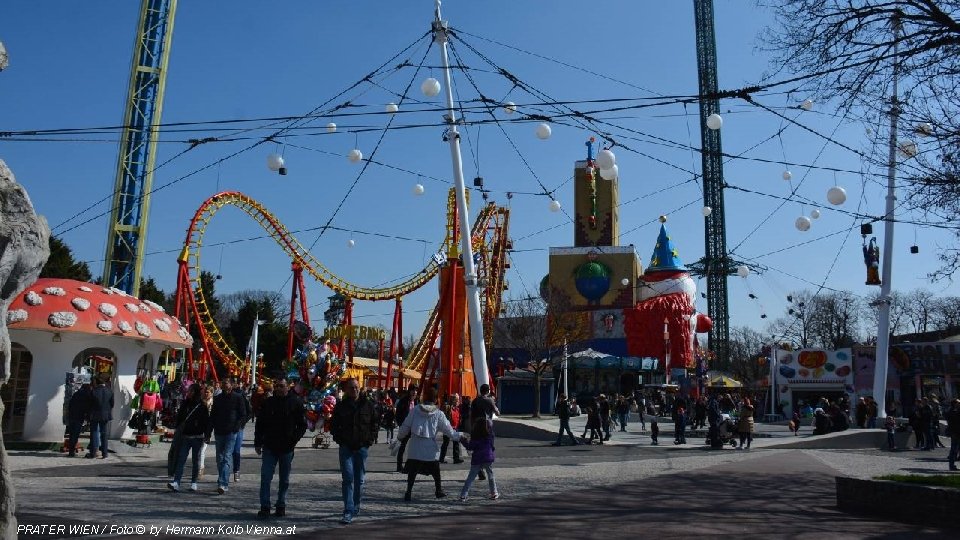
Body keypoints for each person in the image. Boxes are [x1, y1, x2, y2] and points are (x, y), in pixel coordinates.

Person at [396, 386, 463, 501]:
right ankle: (438, 490)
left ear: (424, 397)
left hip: (415, 447)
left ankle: (408, 492)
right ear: (436, 399)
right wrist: (461, 436)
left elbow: (405, 426)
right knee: (436, 471)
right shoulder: (438, 414)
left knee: (412, 472)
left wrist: (399, 437)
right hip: (430, 449)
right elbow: (450, 432)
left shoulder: (415, 410)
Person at [254, 377, 307, 520]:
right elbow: (260, 424)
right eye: (276, 386)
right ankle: (265, 506)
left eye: (281, 386)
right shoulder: (268, 403)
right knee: (266, 477)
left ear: (288, 387)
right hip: (269, 446)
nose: (278, 388)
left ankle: (281, 504)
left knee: (284, 479)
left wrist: (294, 439)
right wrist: (258, 442)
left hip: (287, 447)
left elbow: (302, 424)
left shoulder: (296, 402)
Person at [330, 378, 379, 525]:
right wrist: (339, 439)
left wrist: (370, 440)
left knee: (359, 479)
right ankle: (348, 509)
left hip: (362, 447)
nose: (355, 390)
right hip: (346, 447)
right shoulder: (341, 406)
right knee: (348, 479)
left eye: (356, 387)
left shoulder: (368, 406)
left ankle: (356, 504)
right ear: (346, 390)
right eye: (351, 388)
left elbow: (375, 423)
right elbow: (334, 425)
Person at [168, 384, 211, 493]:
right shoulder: (185, 403)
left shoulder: (202, 405)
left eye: (191, 391)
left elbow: (206, 422)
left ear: (195, 392)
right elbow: (180, 418)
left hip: (197, 437)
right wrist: (177, 429)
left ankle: (193, 482)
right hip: (185, 436)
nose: (188, 393)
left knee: (195, 460)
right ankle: (176, 482)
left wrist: (207, 435)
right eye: (189, 391)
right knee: (181, 459)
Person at [209, 377, 248, 495]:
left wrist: (238, 426)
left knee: (226, 456)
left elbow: (243, 414)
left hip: (231, 431)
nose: (224, 385)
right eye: (223, 383)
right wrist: (208, 432)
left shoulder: (237, 397)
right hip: (219, 431)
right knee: (219, 458)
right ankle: (222, 478)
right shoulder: (218, 399)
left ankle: (223, 483)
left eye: (226, 383)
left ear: (231, 385)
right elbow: (213, 416)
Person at [459, 417, 498, 502]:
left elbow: (470, 447)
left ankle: (463, 495)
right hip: (488, 457)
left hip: (477, 459)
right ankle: (494, 493)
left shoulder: (475, 437)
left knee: (470, 478)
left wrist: (463, 441)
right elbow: (492, 445)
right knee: (490, 475)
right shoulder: (489, 435)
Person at [87, 376, 114, 459]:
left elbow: (89, 404)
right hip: (105, 414)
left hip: (94, 414)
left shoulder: (94, 391)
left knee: (94, 432)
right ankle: (105, 453)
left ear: (97, 383)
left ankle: (94, 452)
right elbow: (112, 404)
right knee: (104, 434)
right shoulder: (109, 391)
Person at [394, 384, 419, 473]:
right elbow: (398, 415)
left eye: (416, 391)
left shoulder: (416, 402)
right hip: (405, 427)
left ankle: (410, 466)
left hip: (414, 428)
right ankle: (399, 466)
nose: (414, 392)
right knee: (402, 447)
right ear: (409, 391)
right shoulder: (403, 401)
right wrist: (402, 425)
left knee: (414, 447)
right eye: (413, 390)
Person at [232, 381, 253, 482]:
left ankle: (236, 470)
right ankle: (223, 475)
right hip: (226, 428)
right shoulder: (222, 397)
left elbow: (249, 412)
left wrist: (242, 423)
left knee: (236, 450)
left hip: (238, 427)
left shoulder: (241, 396)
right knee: (225, 453)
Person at [66, 383, 92, 457]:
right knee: (75, 434)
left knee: (71, 434)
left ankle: (71, 451)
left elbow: (70, 404)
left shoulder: (76, 394)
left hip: (72, 416)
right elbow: (86, 407)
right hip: (79, 416)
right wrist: (87, 416)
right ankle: (72, 450)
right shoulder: (87, 396)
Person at [439, 394, 463, 464]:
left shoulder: (457, 408)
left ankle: (456, 458)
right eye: (457, 399)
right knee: (445, 443)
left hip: (455, 427)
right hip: (448, 428)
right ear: (454, 400)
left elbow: (457, 417)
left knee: (456, 443)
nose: (459, 401)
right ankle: (441, 458)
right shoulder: (448, 407)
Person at [945, 399, 960, 471]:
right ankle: (951, 465)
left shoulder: (952, 411)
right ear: (955, 404)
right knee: (954, 449)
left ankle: (952, 465)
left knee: (955, 449)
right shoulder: (953, 412)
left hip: (955, 432)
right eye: (958, 403)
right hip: (955, 432)